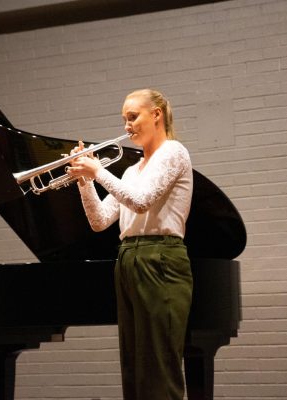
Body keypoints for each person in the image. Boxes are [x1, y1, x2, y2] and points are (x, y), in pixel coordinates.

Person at [66, 89, 194, 400]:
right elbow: (99, 221)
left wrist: (98, 171)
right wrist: (85, 182)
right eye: (125, 119)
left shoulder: (173, 152)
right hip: (129, 259)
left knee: (160, 370)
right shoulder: (131, 171)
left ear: (156, 114)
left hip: (160, 258)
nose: (127, 125)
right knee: (134, 370)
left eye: (133, 116)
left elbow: (140, 202)